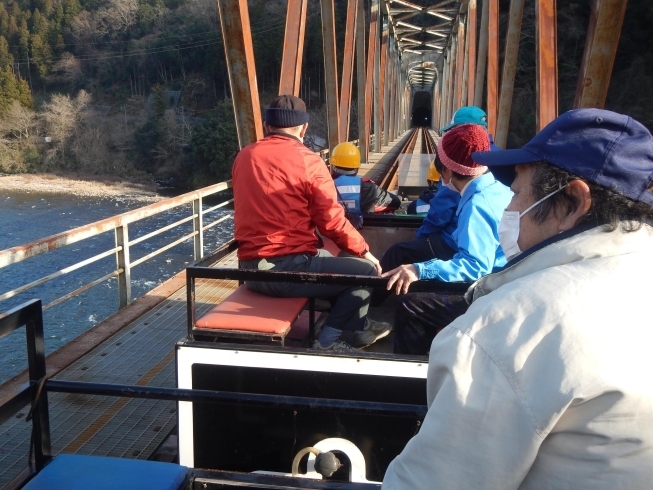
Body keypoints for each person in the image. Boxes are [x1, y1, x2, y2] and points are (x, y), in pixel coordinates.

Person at [382, 108, 653, 489]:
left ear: (573, 202)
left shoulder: (508, 328)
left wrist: (423, 271)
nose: (508, 210)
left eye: (517, 194)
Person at [232, 95, 391, 352]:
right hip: (284, 270)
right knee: (365, 272)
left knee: (325, 254)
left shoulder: (244, 156)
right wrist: (364, 251)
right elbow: (331, 220)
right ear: (304, 127)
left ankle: (353, 326)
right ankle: (330, 341)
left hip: (248, 269)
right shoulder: (309, 161)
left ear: (266, 125)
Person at [375, 124, 512, 354]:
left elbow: (476, 267)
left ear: (447, 172)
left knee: (411, 305)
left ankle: (412, 372)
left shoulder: (478, 204)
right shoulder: (495, 187)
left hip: (491, 290)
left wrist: (420, 270)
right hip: (502, 278)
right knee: (403, 256)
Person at [330, 142, 400, 229]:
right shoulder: (368, 188)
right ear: (357, 168)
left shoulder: (323, 188)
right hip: (359, 236)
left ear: (332, 166)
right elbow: (395, 202)